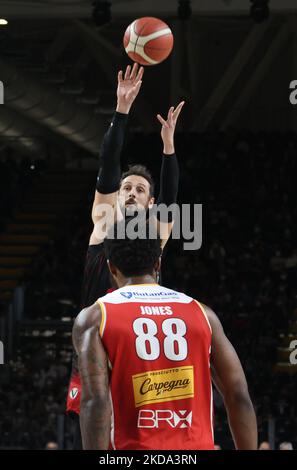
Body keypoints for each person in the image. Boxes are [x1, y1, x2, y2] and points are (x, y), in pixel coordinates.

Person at [66, 62, 184, 449]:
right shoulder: (104, 223)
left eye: (138, 190)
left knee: (144, 439)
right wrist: (121, 110)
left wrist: (168, 147)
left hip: (141, 350)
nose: (131, 192)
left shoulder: (156, 233)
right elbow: (107, 164)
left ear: (149, 203)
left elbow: (170, 195)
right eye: (126, 188)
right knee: (98, 433)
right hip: (98, 339)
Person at [72, 218, 257, 450]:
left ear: (111, 267)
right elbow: (237, 393)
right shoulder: (202, 313)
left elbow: (95, 401)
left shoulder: (95, 318)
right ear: (158, 263)